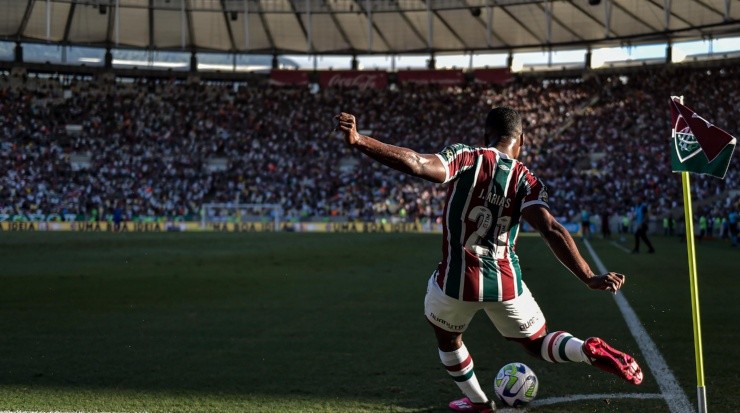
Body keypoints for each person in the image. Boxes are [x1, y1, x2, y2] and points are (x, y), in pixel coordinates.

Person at [335, 108, 643, 413]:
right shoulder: (527, 180)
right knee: (538, 343)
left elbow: (417, 163)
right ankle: (586, 351)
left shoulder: (467, 157)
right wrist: (588, 276)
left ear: (486, 135)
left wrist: (361, 140)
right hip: (506, 283)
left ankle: (480, 403)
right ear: (521, 139)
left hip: (457, 282)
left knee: (448, 339)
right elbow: (551, 229)